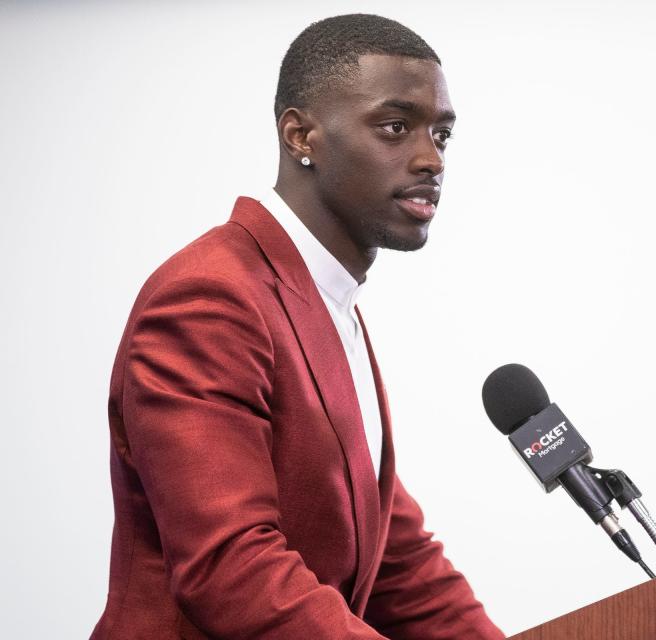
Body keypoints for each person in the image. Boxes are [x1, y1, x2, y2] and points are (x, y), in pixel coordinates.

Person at [91, 14, 505, 639]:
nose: (430, 159)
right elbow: (232, 568)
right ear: (300, 134)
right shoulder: (210, 298)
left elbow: (394, 557)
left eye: (440, 135)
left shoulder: (327, 301)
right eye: (396, 128)